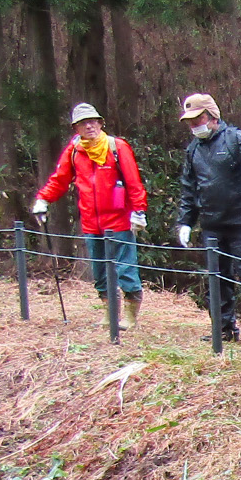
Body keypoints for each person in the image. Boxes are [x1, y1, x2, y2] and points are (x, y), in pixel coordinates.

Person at [33, 102, 147, 326]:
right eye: (84, 123)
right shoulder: (74, 150)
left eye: (93, 121)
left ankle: (130, 318)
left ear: (100, 123)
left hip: (120, 220)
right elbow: (60, 179)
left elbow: (134, 182)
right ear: (76, 128)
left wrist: (139, 210)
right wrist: (43, 199)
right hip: (91, 222)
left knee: (125, 268)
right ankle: (109, 314)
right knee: (100, 271)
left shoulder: (117, 147)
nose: (90, 126)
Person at [176, 93, 241, 346]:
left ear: (212, 116)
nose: (194, 125)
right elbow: (189, 188)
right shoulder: (193, 150)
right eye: (190, 121)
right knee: (216, 276)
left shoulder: (236, 139)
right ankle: (223, 328)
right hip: (212, 224)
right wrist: (186, 221)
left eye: (198, 118)